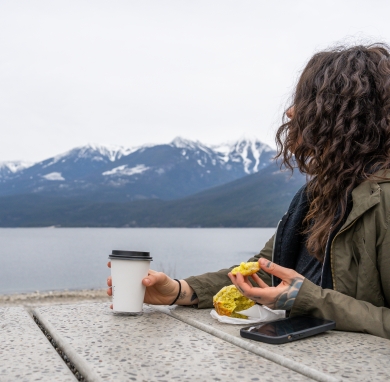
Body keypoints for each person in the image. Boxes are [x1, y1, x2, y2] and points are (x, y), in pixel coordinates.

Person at [107, 44, 390, 340]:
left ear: (345, 115)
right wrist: (179, 291)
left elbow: (308, 297)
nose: (290, 112)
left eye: (307, 100)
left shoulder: (382, 202)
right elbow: (260, 271)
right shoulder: (319, 196)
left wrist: (309, 300)